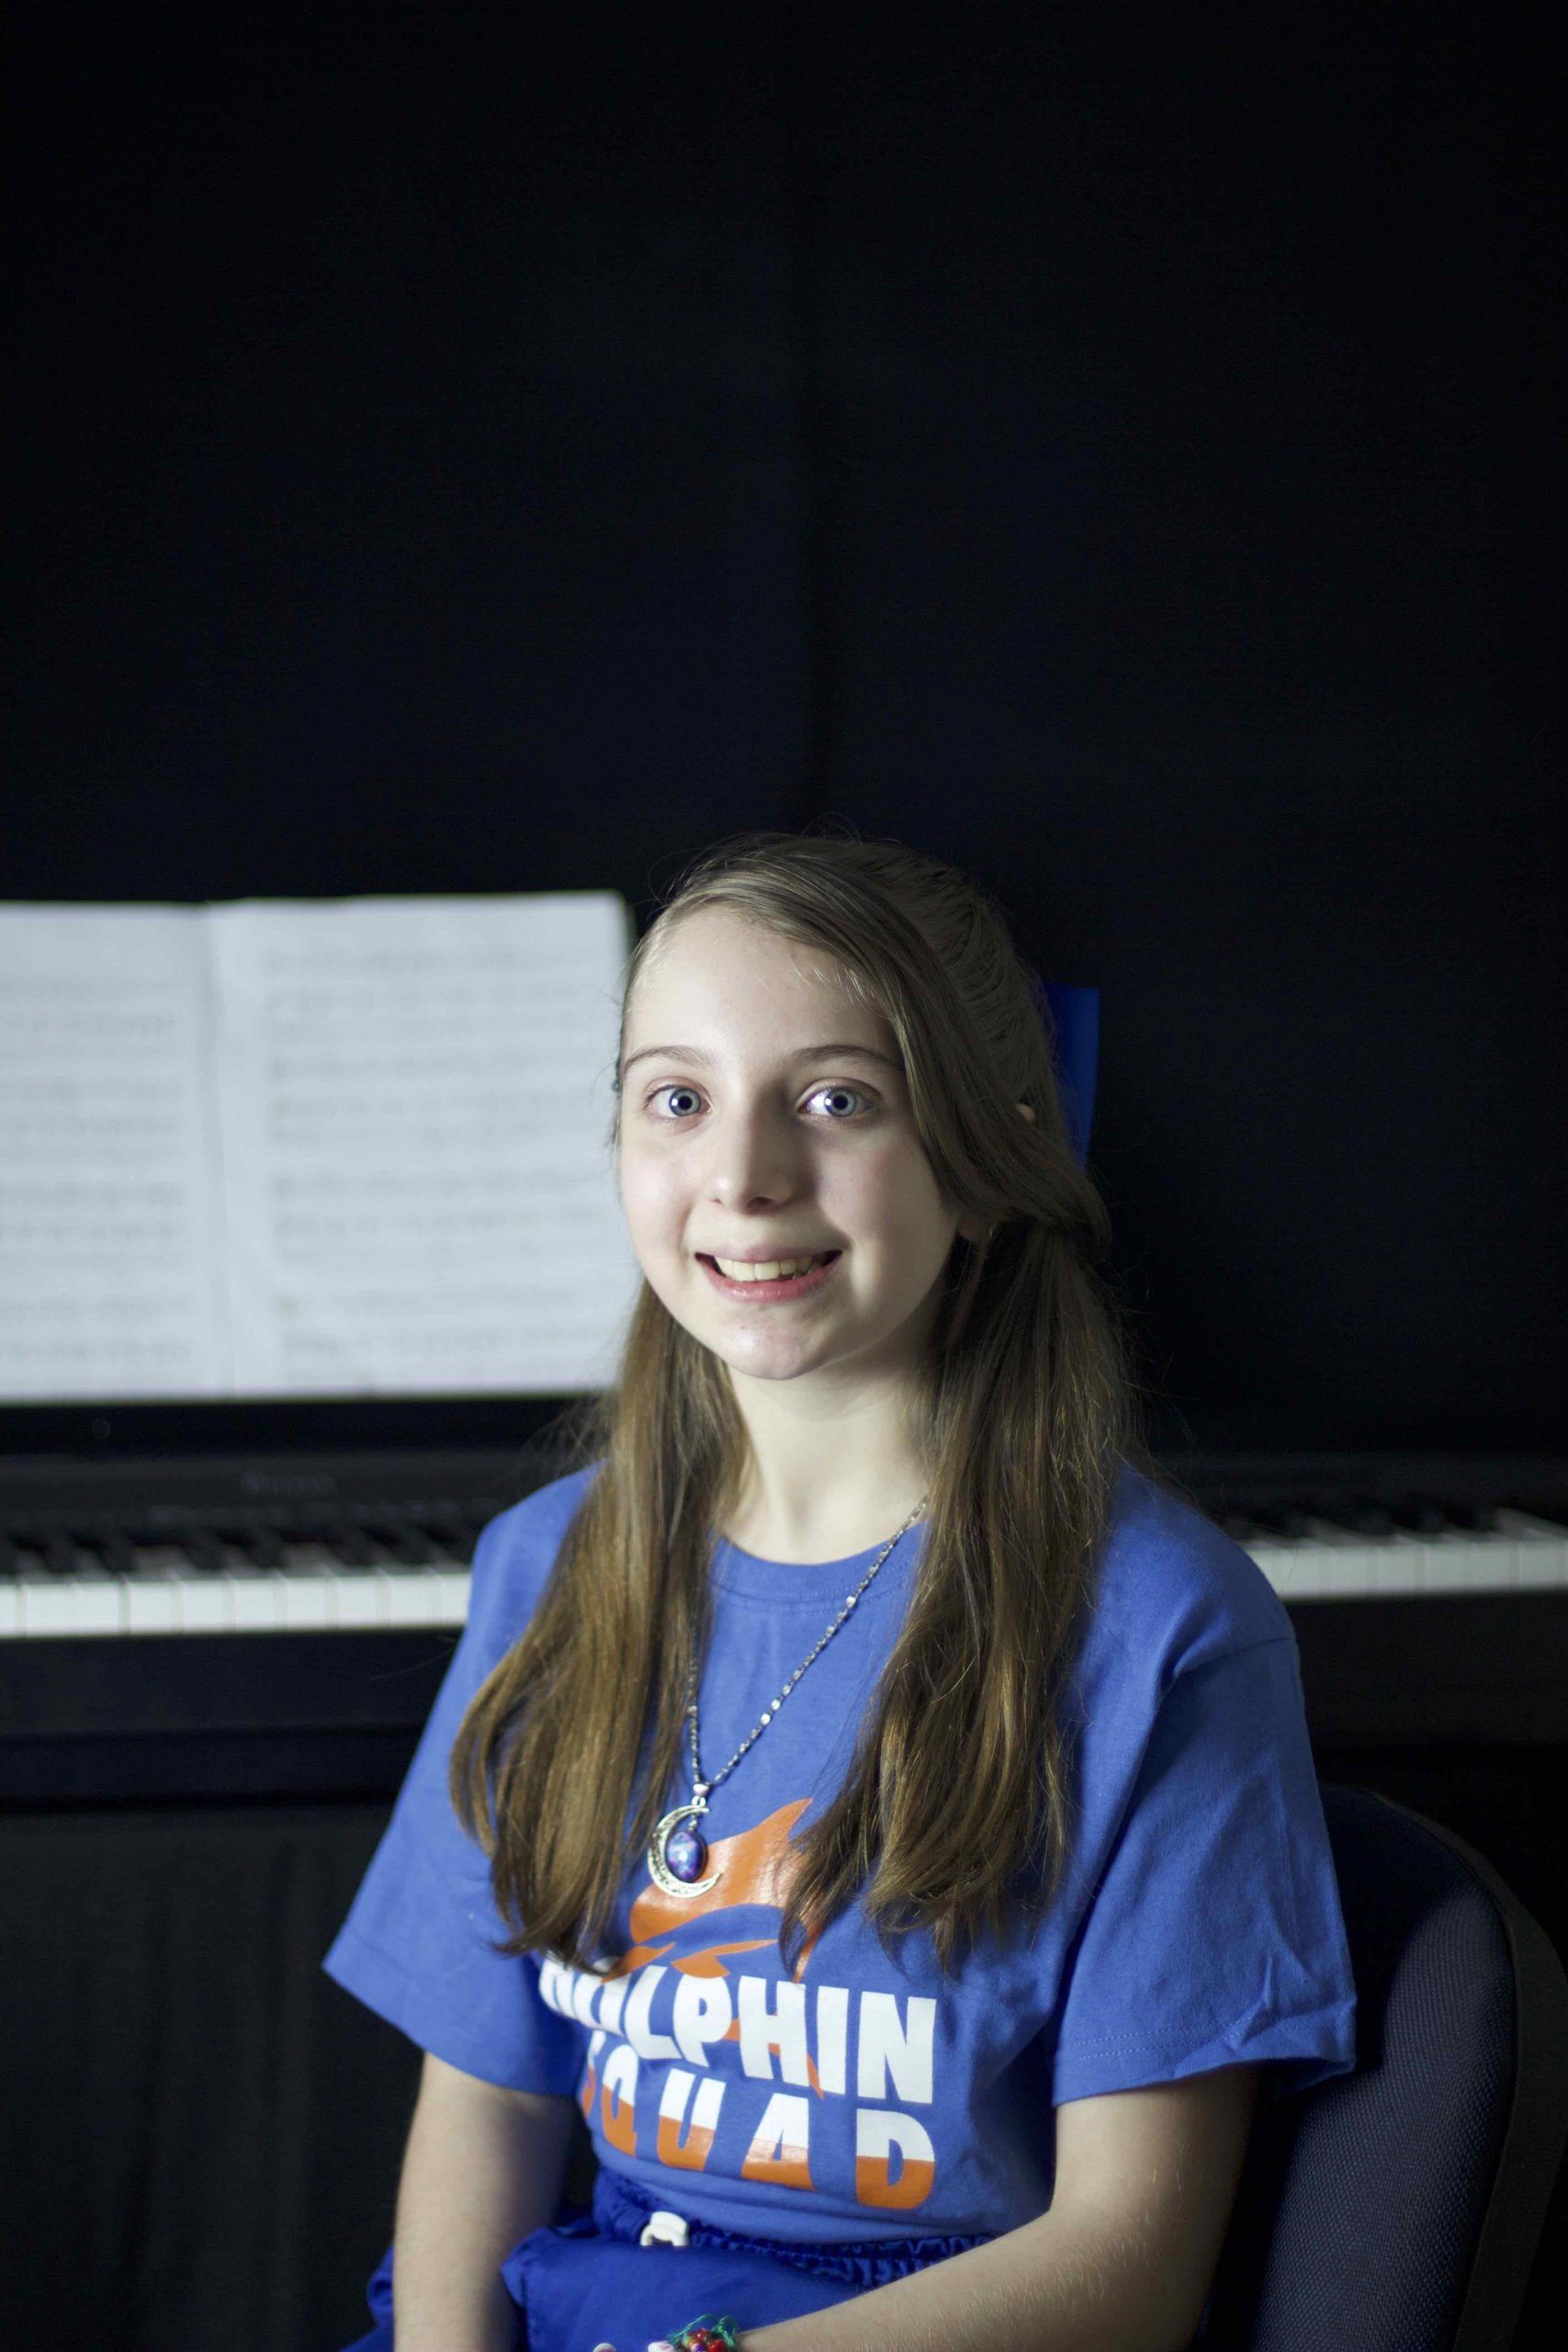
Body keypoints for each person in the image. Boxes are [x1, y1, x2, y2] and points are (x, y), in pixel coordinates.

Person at [321, 827, 1357, 2352]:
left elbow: (1129, 2269)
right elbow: (489, 2103)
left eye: (837, 1100)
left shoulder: (1165, 1630)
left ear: (989, 1164)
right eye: (678, 1099)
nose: (743, 1178)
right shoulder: (547, 1567)